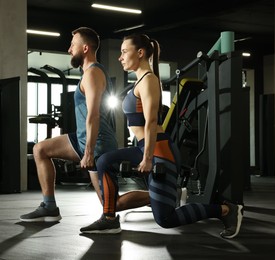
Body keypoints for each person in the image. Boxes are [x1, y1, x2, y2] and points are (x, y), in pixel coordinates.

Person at [79, 33, 244, 239]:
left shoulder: (149, 81)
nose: (120, 57)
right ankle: (109, 218)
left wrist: (147, 158)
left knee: (166, 219)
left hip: (159, 152)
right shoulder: (139, 81)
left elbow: (150, 122)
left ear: (140, 53)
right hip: (143, 147)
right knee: (103, 161)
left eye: (123, 52)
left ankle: (226, 210)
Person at [20, 27, 149, 222]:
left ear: (85, 48)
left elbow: (93, 115)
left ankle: (166, 195)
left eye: (73, 45)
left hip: (98, 145)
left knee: (113, 204)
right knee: (40, 150)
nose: (70, 50)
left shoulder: (93, 74)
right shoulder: (87, 73)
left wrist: (88, 152)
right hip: (81, 139)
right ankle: (49, 206)